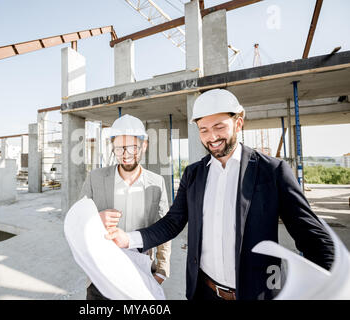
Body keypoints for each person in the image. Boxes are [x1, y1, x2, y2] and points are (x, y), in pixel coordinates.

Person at [105, 89, 335, 300]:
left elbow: (316, 239)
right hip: (204, 292)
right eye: (204, 130)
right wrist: (129, 238)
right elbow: (172, 222)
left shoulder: (273, 172)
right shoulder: (193, 174)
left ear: (238, 123)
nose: (211, 137)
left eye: (219, 127)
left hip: (258, 294)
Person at [79, 114, 172, 300]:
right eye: (120, 148)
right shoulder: (95, 179)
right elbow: (76, 220)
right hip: (101, 275)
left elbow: (165, 227)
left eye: (132, 147)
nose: (126, 154)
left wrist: (162, 269)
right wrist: (96, 219)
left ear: (144, 146)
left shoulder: (157, 183)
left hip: (141, 273)